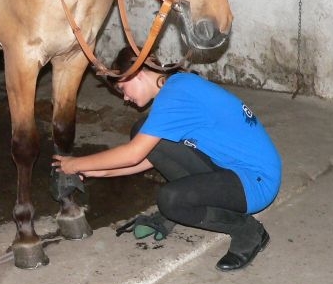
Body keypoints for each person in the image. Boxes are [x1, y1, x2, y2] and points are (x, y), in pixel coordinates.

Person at [52, 47, 282, 271]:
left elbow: (134, 153)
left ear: (137, 74)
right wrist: (99, 171)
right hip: (231, 168)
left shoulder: (176, 96)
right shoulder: (177, 88)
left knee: (171, 200)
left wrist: (74, 163)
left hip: (255, 181)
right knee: (143, 131)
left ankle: (248, 230)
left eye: (123, 88)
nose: (125, 98)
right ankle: (194, 203)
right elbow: (151, 156)